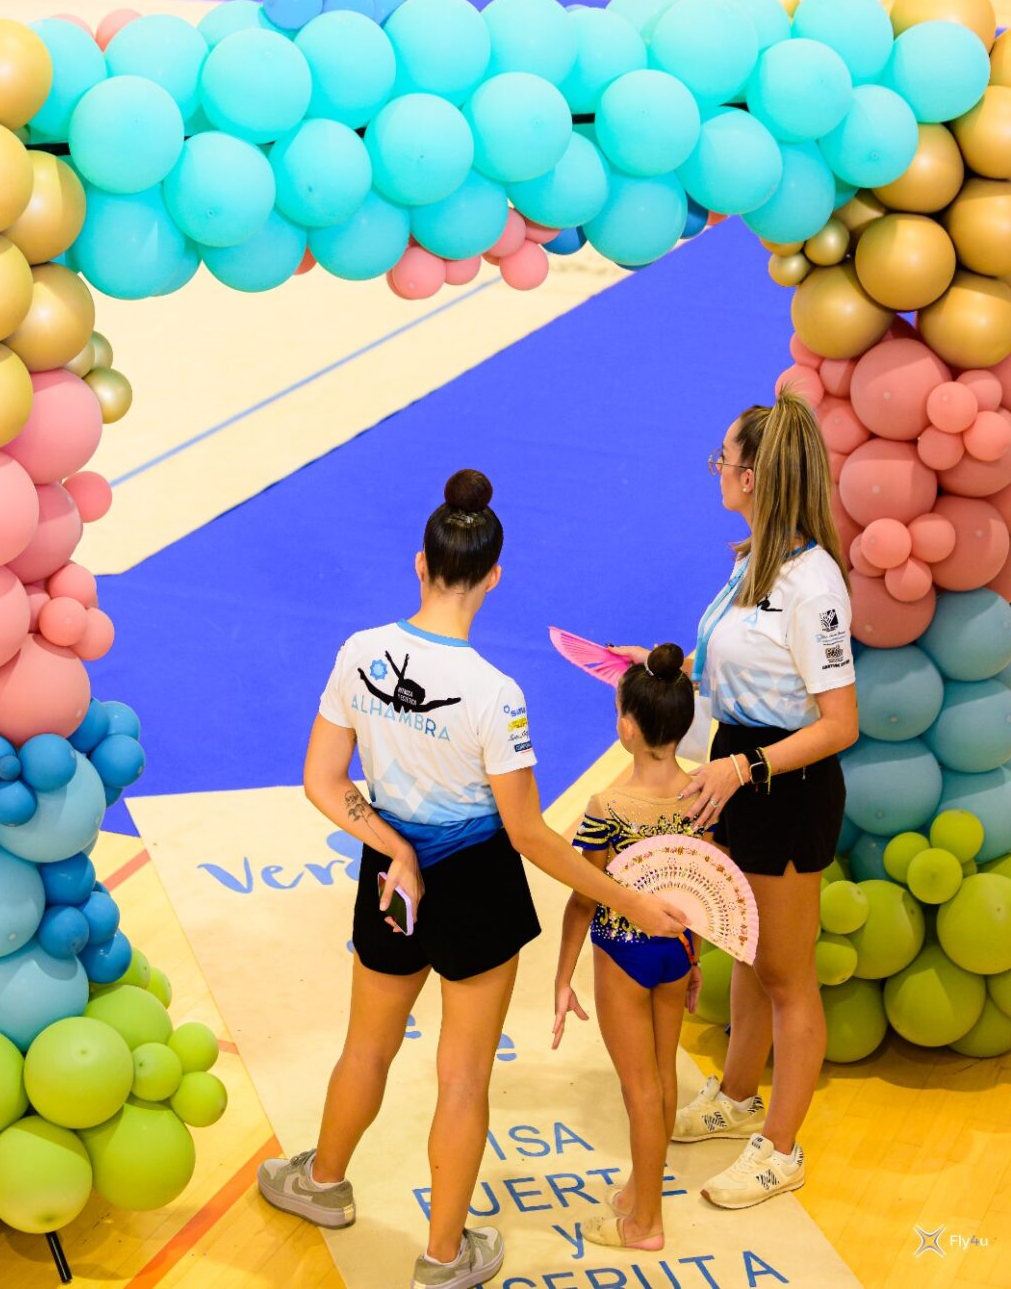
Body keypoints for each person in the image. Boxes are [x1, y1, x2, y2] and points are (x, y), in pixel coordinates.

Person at [257, 469, 687, 1289]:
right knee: (462, 1078)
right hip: (479, 885)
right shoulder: (498, 695)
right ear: (494, 577)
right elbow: (527, 834)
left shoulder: (358, 652)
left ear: (421, 564)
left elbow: (322, 780)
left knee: (366, 1047)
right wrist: (630, 900)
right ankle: (443, 1258)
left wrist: (396, 847)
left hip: (392, 877)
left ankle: (321, 1184)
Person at [614, 389, 858, 1209]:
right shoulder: (752, 560)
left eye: (723, 458)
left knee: (787, 977)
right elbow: (749, 671)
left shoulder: (814, 585)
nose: (716, 469)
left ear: (753, 477)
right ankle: (739, 1096)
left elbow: (839, 724)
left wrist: (745, 769)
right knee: (749, 952)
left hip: (784, 789)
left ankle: (780, 1150)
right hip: (738, 772)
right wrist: (671, 671)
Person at [552, 643, 705, 1252]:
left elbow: (584, 898)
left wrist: (562, 977)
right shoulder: (702, 797)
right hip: (677, 950)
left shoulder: (607, 808)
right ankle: (644, 1187)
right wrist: (694, 958)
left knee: (639, 1089)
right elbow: (702, 885)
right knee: (663, 1077)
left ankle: (645, 1223)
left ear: (627, 728)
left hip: (623, 951)